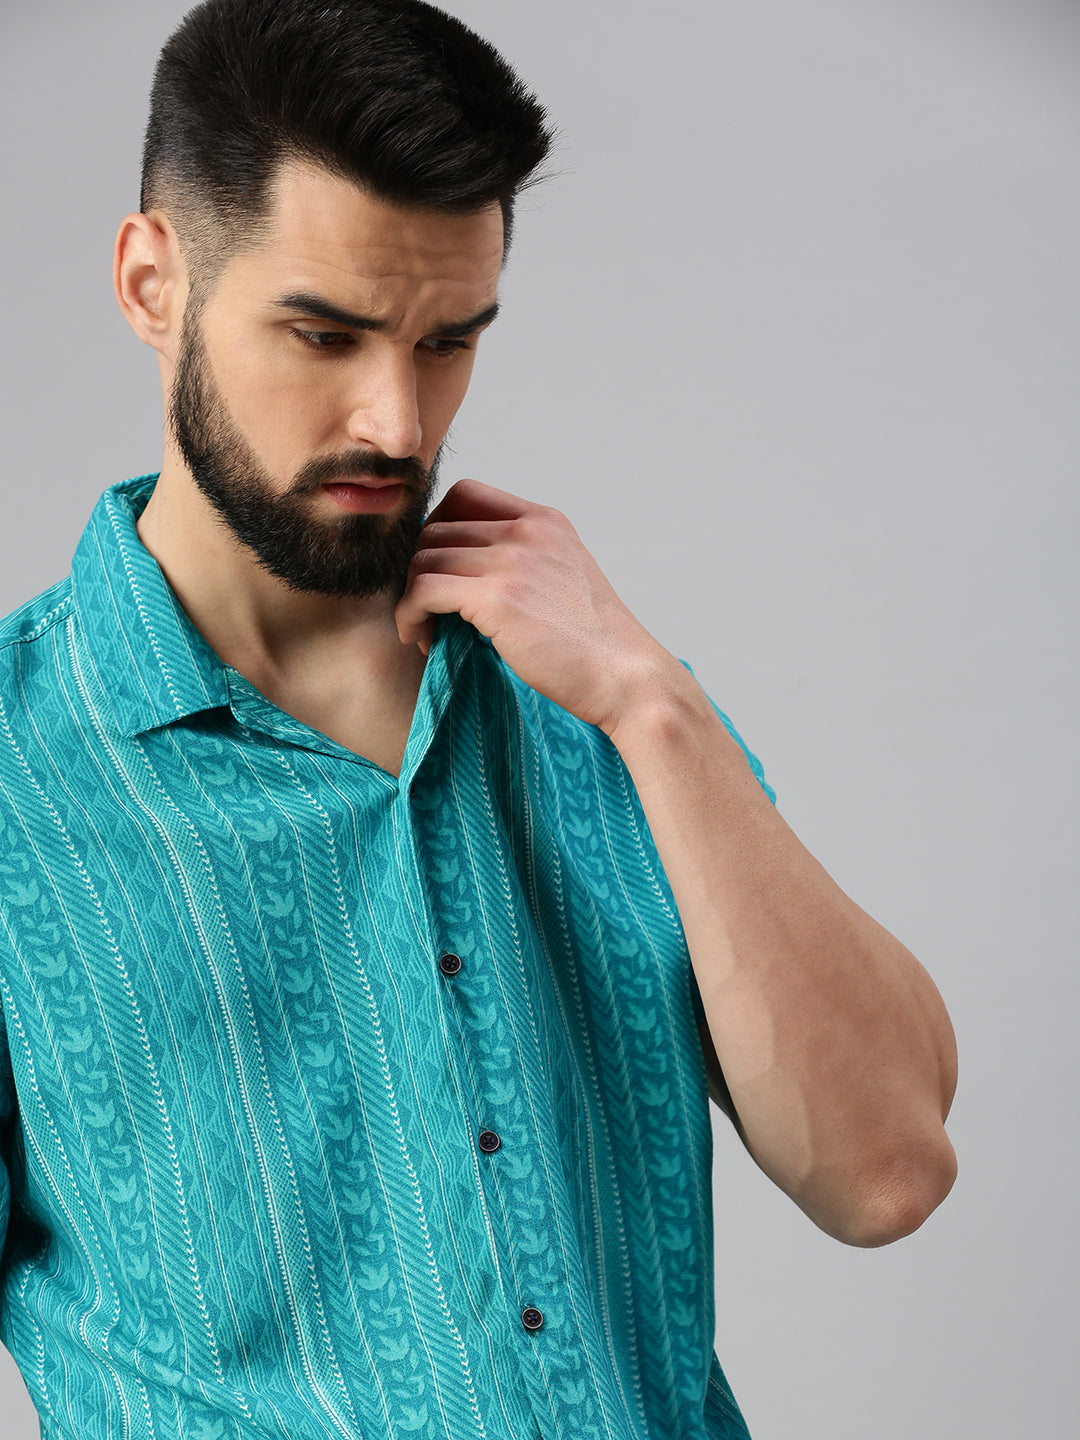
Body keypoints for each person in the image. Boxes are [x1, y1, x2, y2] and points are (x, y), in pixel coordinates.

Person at [0, 1, 958, 1436]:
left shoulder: (599, 702)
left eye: (448, 341)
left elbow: (886, 1173)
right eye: (324, 334)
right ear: (153, 283)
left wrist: (654, 706)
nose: (397, 421)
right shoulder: (19, 773)